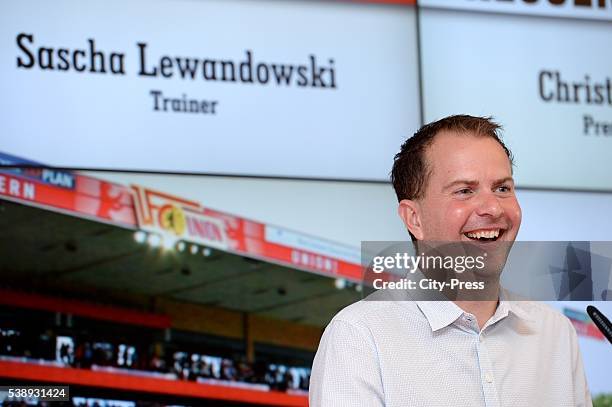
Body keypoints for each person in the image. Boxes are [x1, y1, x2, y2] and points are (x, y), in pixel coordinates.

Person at [309, 115, 592, 407]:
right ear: (414, 218)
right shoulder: (360, 337)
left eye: (502, 188)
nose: (493, 208)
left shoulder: (555, 333)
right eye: (464, 191)